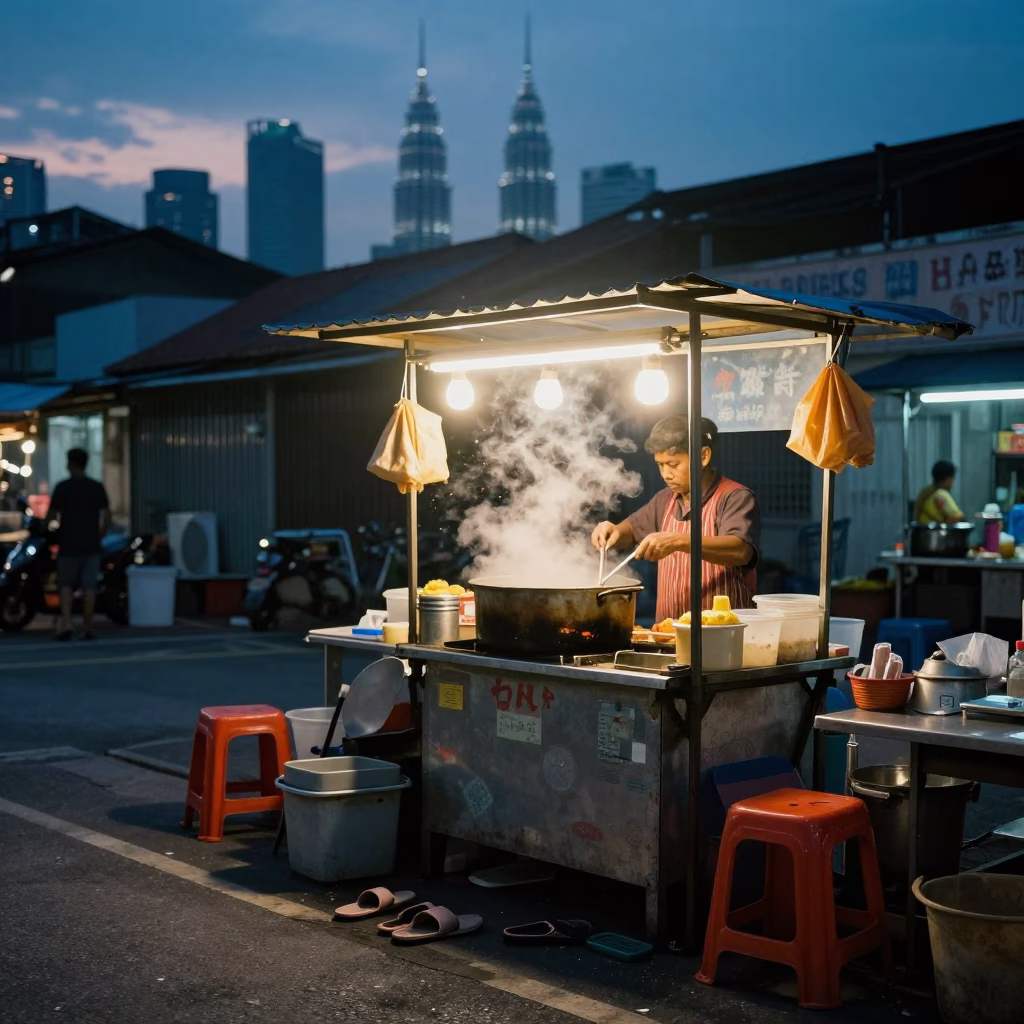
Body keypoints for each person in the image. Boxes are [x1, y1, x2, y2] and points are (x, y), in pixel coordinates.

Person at [591, 415, 760, 621]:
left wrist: (678, 540)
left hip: (722, 635)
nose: (665, 474)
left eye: (673, 464)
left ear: (703, 456)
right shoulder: (664, 500)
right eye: (660, 465)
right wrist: (613, 531)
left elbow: (740, 550)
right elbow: (630, 531)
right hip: (668, 634)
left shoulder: (734, 497)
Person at [47, 448, 110, 641]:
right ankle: (87, 627)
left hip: (68, 543)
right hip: (91, 543)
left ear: (70, 463)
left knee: (65, 585)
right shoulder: (96, 487)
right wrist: (99, 534)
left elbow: (51, 516)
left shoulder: (62, 487)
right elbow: (106, 515)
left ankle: (67, 624)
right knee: (89, 587)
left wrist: (51, 530)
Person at [914, 460, 964, 525]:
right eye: (953, 478)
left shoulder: (925, 492)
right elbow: (954, 517)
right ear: (948, 478)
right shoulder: (941, 494)